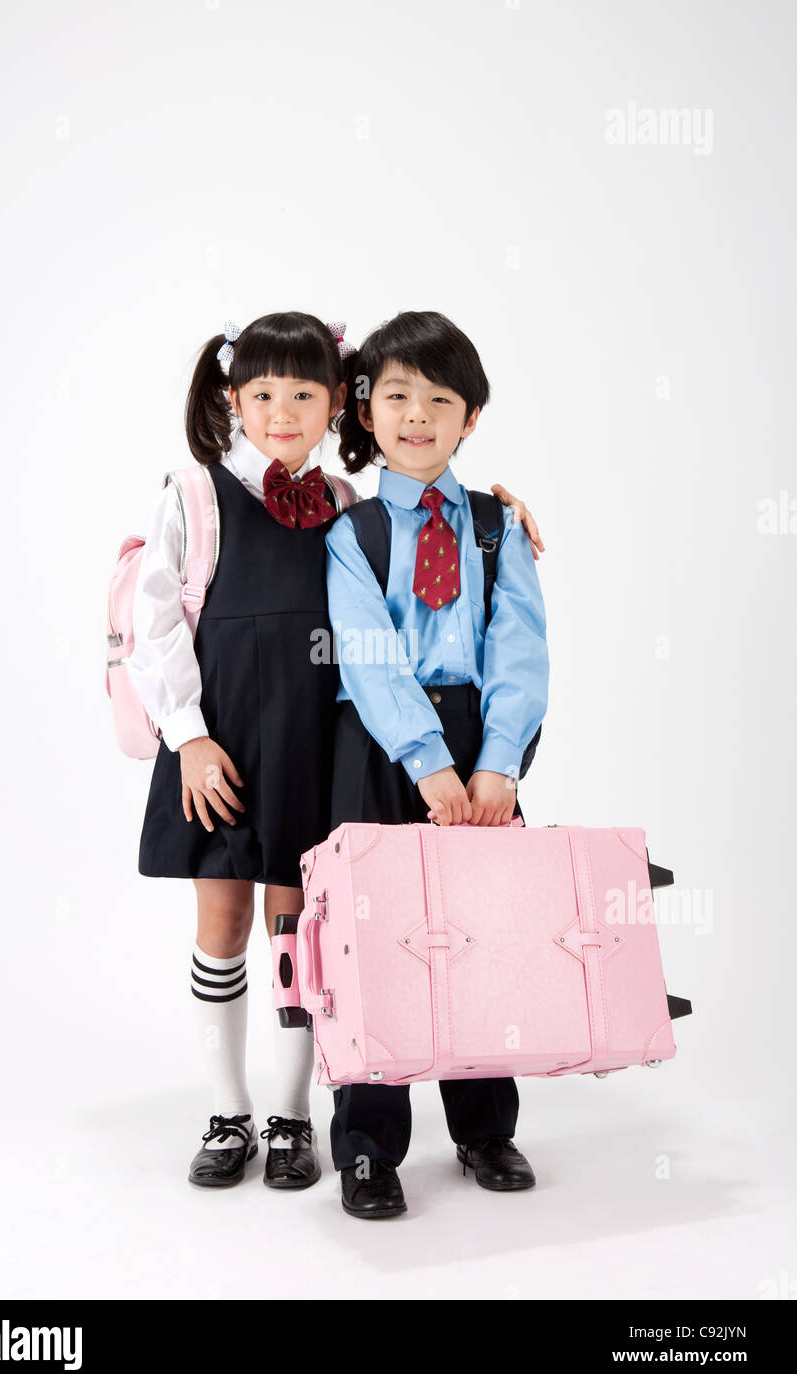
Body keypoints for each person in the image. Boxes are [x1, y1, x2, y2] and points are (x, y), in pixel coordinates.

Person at [129, 310, 545, 1194]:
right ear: (233, 397)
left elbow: (519, 647)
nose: (285, 410)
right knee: (318, 937)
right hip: (260, 741)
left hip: (346, 747)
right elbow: (166, 620)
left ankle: (345, 1119)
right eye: (265, 392)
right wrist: (189, 735)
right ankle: (281, 1121)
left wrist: (497, 757)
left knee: (424, 930)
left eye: (306, 393)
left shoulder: (363, 508)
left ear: (334, 408)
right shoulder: (212, 499)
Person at [325, 310, 549, 1219]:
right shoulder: (355, 532)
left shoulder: (497, 523)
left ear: (472, 418)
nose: (418, 415)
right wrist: (424, 761)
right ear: (368, 408)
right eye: (398, 395)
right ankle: (369, 1147)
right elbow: (366, 653)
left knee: (483, 932)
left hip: (480, 743)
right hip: (380, 743)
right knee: (378, 939)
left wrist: (498, 762)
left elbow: (521, 647)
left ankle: (485, 1127)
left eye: (441, 399)